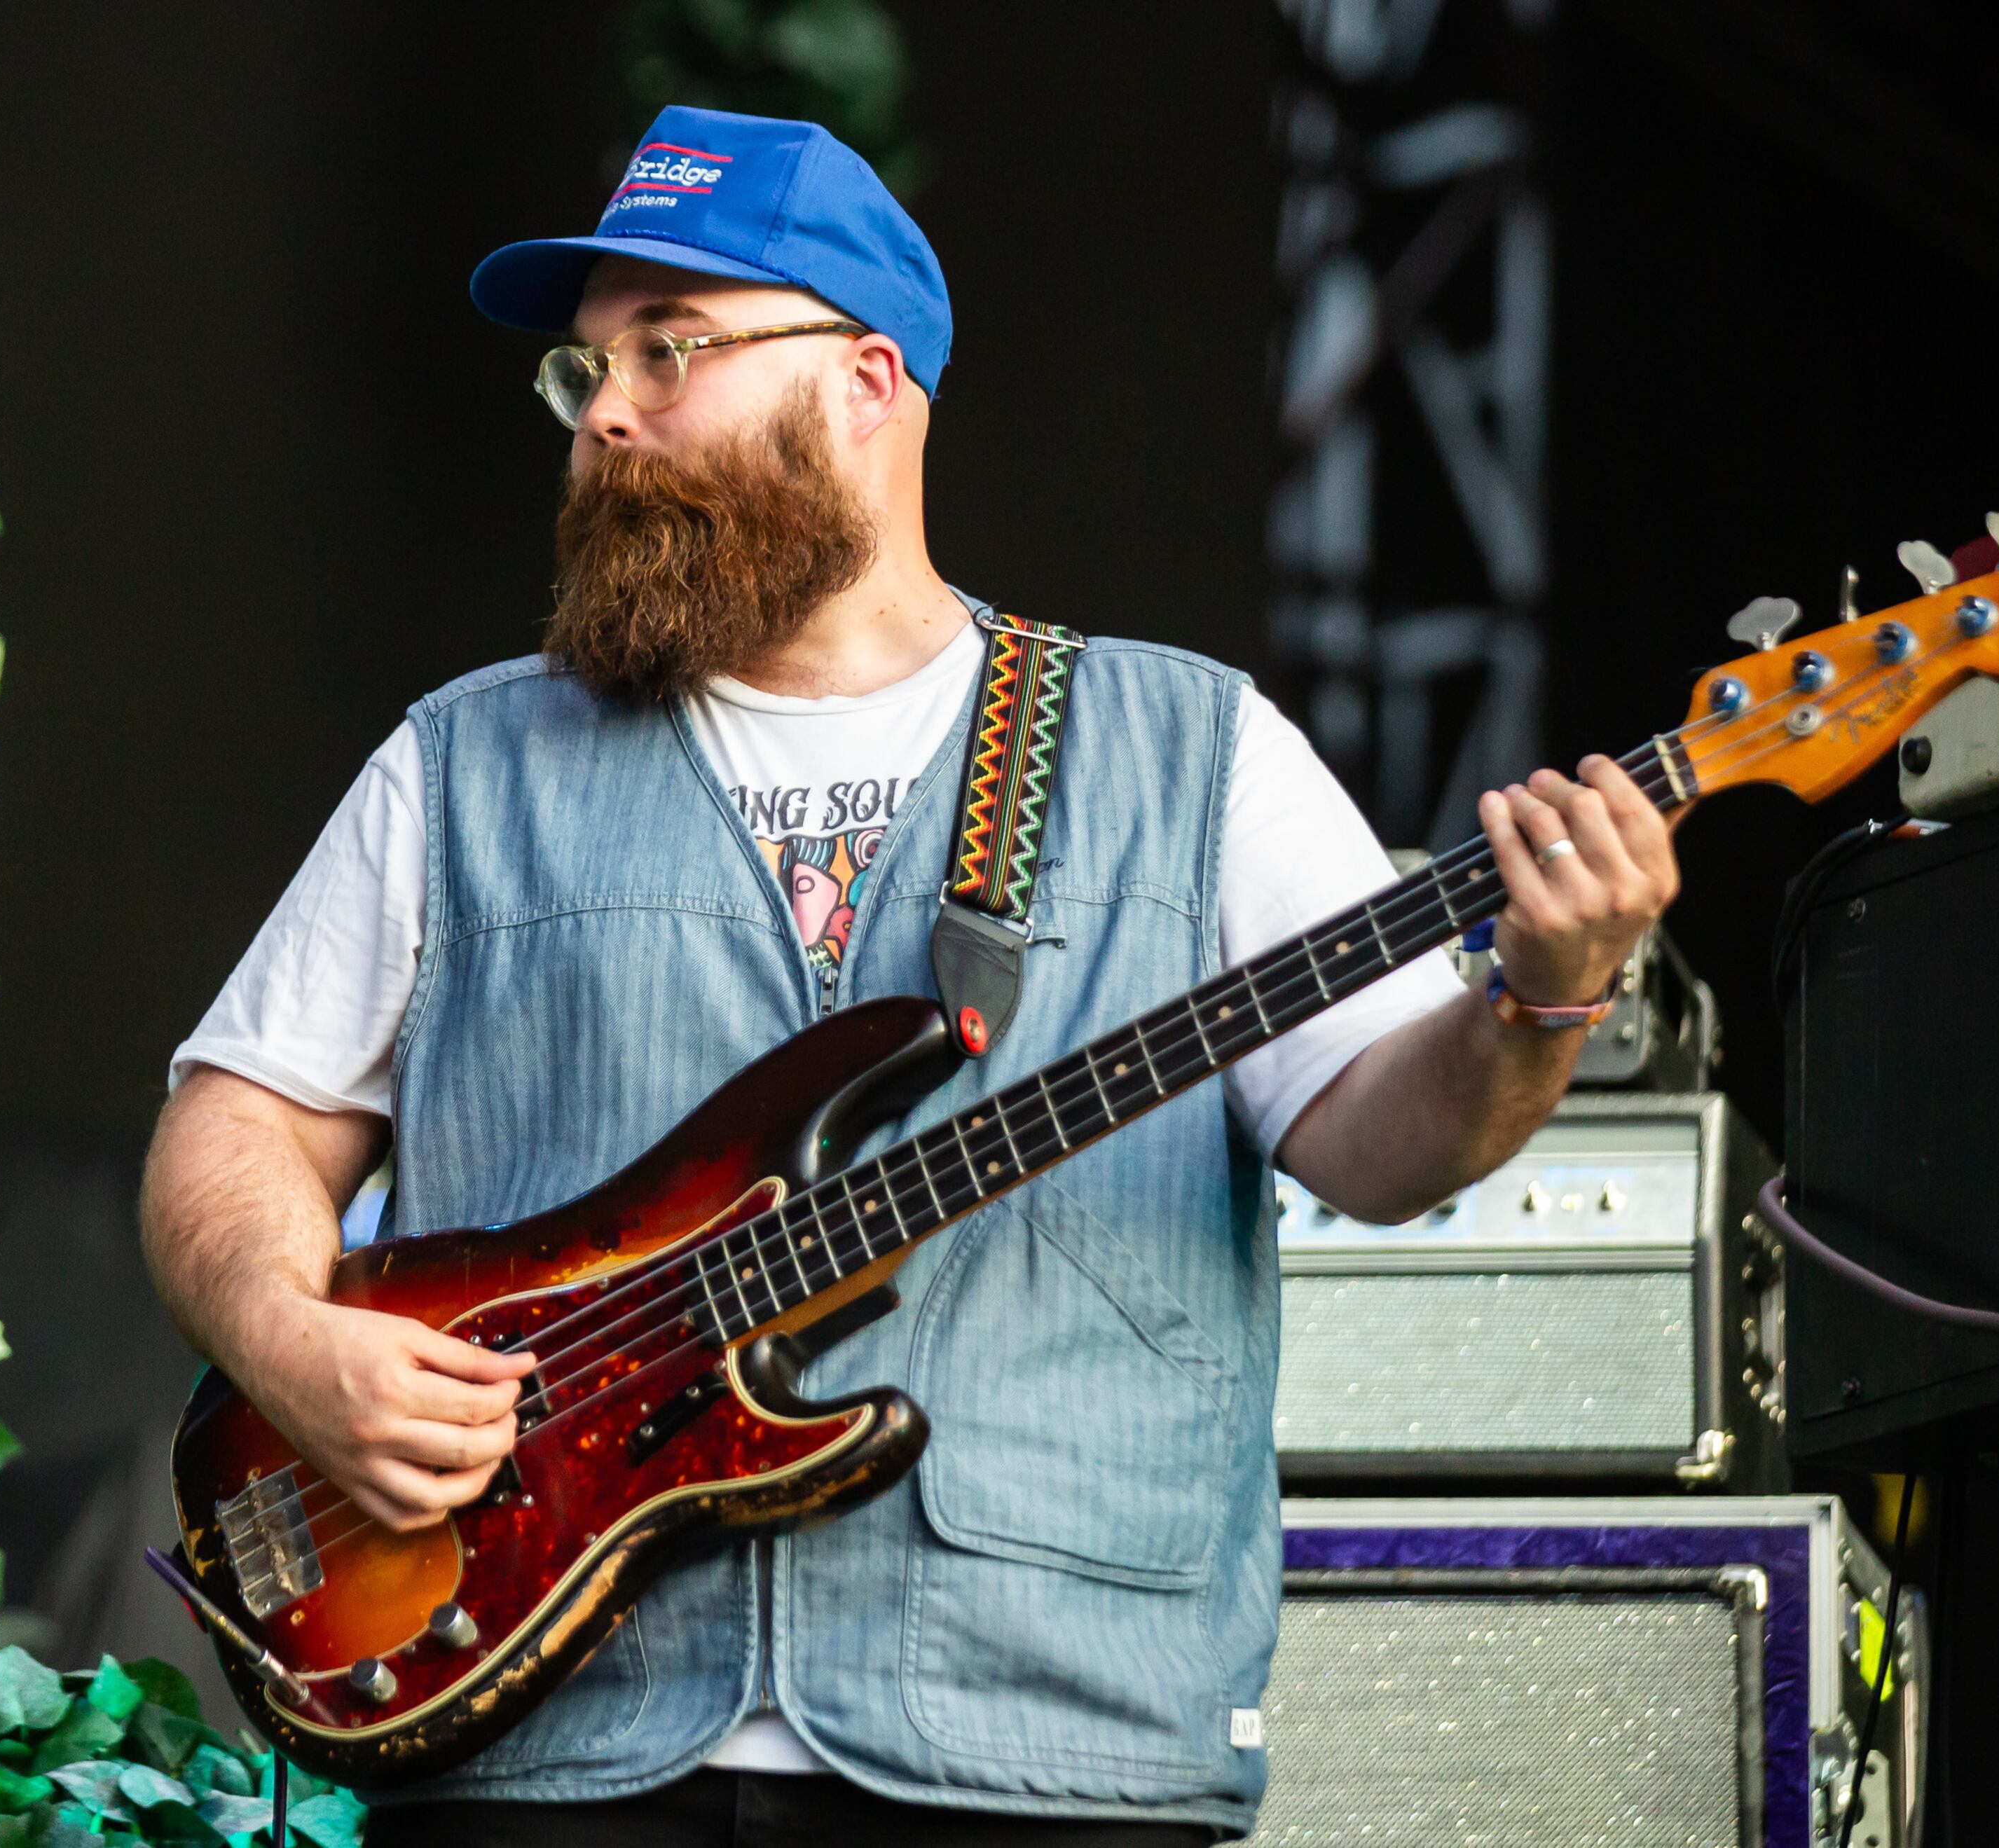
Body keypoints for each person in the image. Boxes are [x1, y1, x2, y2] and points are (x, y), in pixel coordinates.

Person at [140, 106, 1677, 1848]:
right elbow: (235, 1123)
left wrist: (1538, 1000)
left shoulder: (1195, 751)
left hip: (1047, 1750)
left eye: (672, 349)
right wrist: (290, 1339)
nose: (608, 414)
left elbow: (1385, 1148)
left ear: (866, 383)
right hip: (546, 1744)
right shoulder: (461, 763)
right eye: (586, 372)